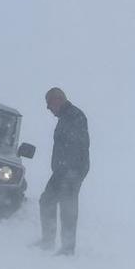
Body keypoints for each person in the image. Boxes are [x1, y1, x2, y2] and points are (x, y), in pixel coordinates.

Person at [34, 87, 90, 255]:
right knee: (47, 201)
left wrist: (70, 172)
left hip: (71, 171)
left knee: (68, 208)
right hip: (62, 170)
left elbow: (76, 145)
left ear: (57, 100)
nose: (48, 108)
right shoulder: (66, 117)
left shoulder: (75, 116)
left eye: (49, 104)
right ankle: (48, 240)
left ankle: (67, 248)